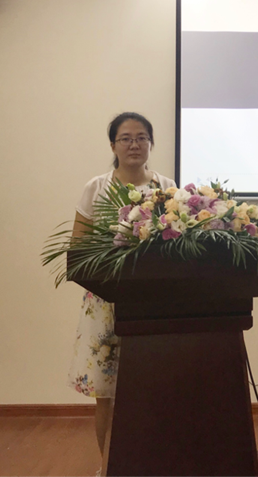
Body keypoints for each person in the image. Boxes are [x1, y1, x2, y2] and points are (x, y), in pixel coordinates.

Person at [66, 112, 176, 457]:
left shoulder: (166, 187)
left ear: (151, 144)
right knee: (107, 395)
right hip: (106, 301)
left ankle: (153, 462)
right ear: (113, 145)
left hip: (154, 303)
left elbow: (179, 246)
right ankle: (109, 466)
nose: (134, 145)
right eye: (126, 138)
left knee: (155, 390)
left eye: (142, 137)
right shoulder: (96, 188)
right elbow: (78, 249)